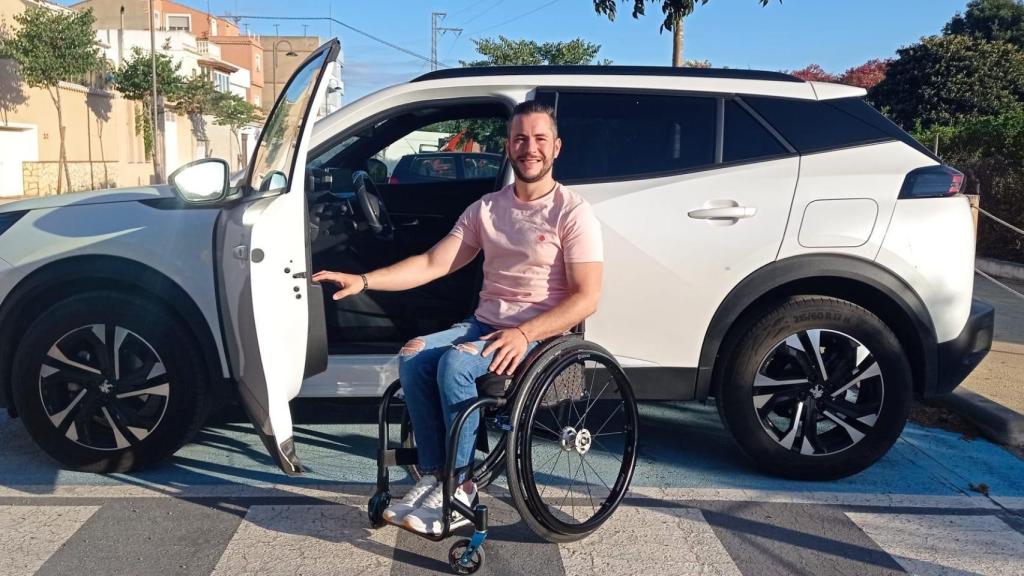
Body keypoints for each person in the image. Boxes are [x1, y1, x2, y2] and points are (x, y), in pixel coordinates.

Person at [313, 100, 603, 536]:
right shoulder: (486, 208)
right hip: (486, 325)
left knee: (455, 363)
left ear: (556, 147)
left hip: (541, 335)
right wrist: (365, 280)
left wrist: (523, 333)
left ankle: (462, 484)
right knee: (413, 354)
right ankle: (434, 476)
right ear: (508, 146)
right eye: (520, 139)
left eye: (540, 139)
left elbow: (586, 298)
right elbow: (432, 263)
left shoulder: (572, 212)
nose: (530, 148)